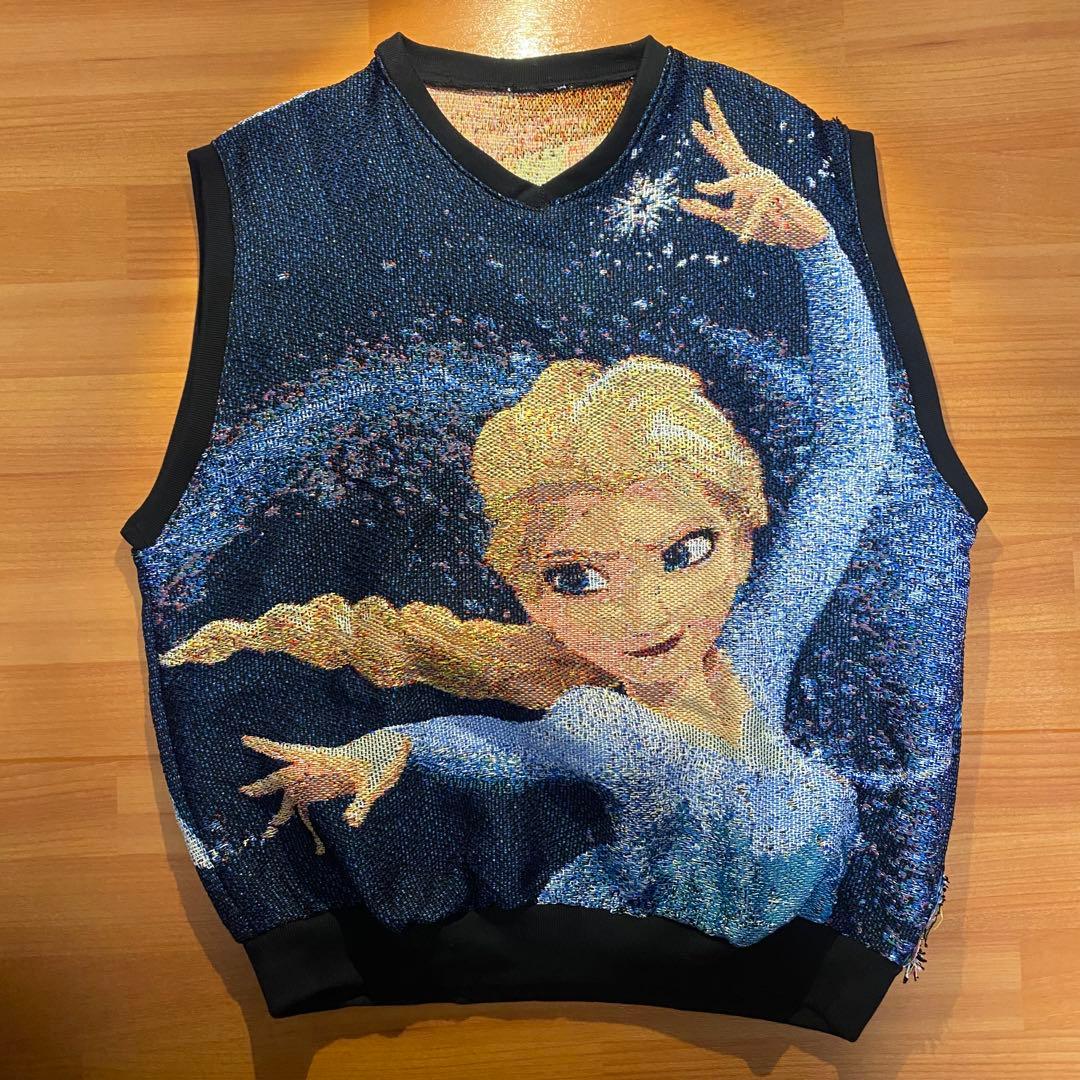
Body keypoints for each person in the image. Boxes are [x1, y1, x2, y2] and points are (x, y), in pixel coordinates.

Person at [157, 90, 894, 945]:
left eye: (684, 551)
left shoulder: (759, 648)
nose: (644, 611)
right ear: (526, 593)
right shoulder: (603, 723)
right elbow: (496, 749)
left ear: (746, 535)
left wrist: (821, 253)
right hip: (614, 959)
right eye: (577, 578)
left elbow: (854, 457)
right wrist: (383, 752)